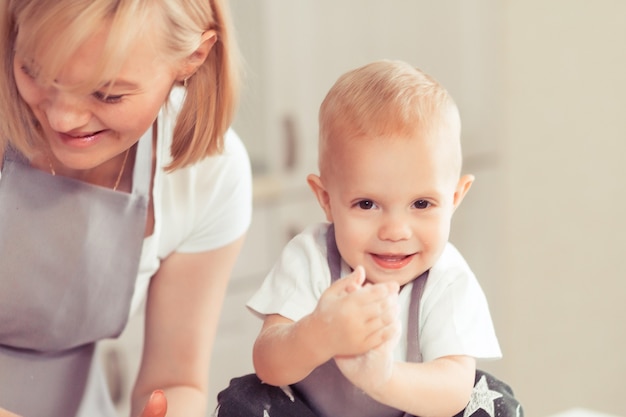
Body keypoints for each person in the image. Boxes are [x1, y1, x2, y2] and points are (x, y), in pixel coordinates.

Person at [214, 60, 520, 417]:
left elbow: (453, 389)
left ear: (455, 198)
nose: (394, 231)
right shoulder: (311, 256)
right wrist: (317, 333)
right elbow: (268, 361)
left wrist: (383, 378)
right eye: (367, 204)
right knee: (246, 397)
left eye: (421, 203)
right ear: (326, 199)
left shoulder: (448, 279)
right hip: (315, 413)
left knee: (490, 402)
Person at [0, 1, 252, 417]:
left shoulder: (209, 175)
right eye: (34, 71)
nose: (64, 118)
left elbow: (175, 379)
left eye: (108, 94)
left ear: (193, 57)